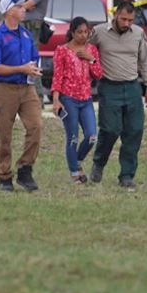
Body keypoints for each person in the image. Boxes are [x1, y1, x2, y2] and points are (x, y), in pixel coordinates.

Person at [88, 2, 147, 191]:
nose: (127, 23)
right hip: (109, 87)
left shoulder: (138, 33)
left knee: (134, 131)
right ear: (116, 15)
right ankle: (99, 163)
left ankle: (126, 175)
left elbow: (145, 62)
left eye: (130, 20)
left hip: (133, 86)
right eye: (124, 19)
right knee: (110, 130)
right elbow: (85, 52)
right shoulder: (99, 32)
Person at [0, 0, 43, 192]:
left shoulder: (25, 34)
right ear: (9, 11)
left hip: (27, 88)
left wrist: (34, 69)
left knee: (36, 127)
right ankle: (4, 176)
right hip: (4, 90)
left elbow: (34, 57)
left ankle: (25, 169)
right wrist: (21, 69)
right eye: (19, 6)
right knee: (4, 136)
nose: (24, 8)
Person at [51, 17, 103, 184]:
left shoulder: (92, 50)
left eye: (86, 32)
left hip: (86, 99)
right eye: (79, 32)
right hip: (68, 99)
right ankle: (75, 173)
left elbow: (98, 74)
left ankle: (77, 161)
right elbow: (57, 76)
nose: (83, 35)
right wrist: (56, 100)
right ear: (72, 32)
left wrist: (90, 59)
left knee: (91, 136)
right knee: (72, 137)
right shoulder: (62, 50)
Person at [20, 0, 50, 101]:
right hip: (23, 24)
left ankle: (38, 96)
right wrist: (22, 5)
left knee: (32, 59)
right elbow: (18, 4)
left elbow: (25, 5)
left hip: (32, 26)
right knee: (23, 59)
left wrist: (24, 5)